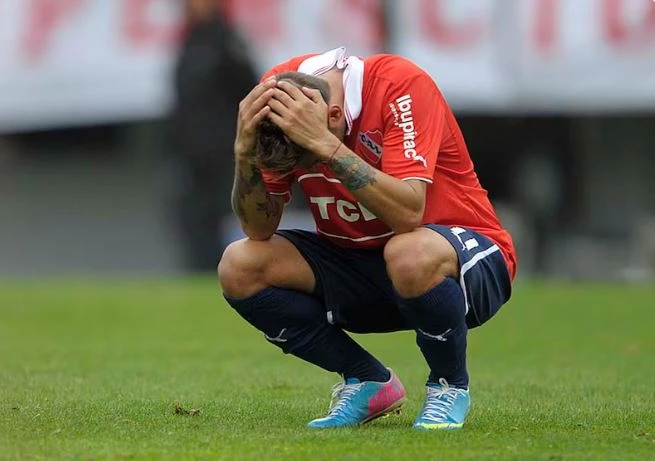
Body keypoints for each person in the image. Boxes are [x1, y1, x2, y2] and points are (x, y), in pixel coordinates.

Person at [218, 47, 516, 430]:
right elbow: (259, 229)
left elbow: (409, 213)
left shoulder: (399, 84)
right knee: (239, 265)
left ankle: (449, 386)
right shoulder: (279, 99)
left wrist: (327, 149)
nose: (309, 170)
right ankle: (367, 380)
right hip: (362, 263)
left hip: (465, 262)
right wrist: (244, 156)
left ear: (336, 117)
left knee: (407, 252)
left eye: (307, 162)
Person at [170, 0, 259, 271]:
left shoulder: (227, 42)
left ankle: (231, 275)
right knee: (193, 221)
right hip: (192, 155)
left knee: (228, 219)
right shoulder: (189, 41)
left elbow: (249, 93)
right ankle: (200, 276)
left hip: (224, 154)